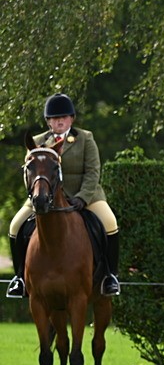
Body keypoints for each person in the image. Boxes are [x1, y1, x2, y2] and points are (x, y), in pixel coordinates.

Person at [7, 93, 121, 298]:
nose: (59, 121)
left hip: (85, 195)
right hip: (44, 197)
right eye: (54, 118)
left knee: (110, 223)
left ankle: (110, 276)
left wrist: (83, 197)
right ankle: (20, 278)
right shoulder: (37, 141)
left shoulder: (85, 138)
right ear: (48, 121)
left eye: (64, 117)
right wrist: (34, 196)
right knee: (15, 226)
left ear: (72, 119)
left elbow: (93, 172)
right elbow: (29, 173)